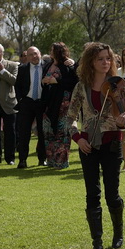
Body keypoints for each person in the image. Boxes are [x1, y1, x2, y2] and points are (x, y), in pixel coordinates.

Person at [68, 42, 125, 249]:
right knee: (92, 194)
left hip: (112, 144)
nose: (105, 62)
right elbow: (69, 119)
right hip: (88, 146)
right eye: (100, 58)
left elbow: (123, 118)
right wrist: (77, 138)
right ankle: (97, 242)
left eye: (108, 58)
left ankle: (118, 233)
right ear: (91, 61)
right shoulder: (81, 87)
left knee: (112, 194)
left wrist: (122, 122)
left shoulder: (119, 85)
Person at [41, 42, 78, 170]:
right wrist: (44, 81)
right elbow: (43, 80)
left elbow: (73, 82)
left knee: (62, 133)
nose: (51, 52)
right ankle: (51, 160)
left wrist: (56, 81)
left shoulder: (67, 65)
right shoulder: (48, 65)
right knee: (48, 132)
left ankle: (61, 161)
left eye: (53, 50)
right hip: (48, 104)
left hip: (63, 104)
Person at [14, 46, 49, 168]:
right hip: (27, 103)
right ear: (27, 57)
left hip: (42, 103)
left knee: (42, 132)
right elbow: (17, 86)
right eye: (30, 55)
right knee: (24, 133)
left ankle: (42, 158)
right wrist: (21, 99)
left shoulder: (48, 66)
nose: (34, 57)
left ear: (40, 54)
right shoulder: (22, 69)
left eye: (35, 54)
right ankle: (22, 160)